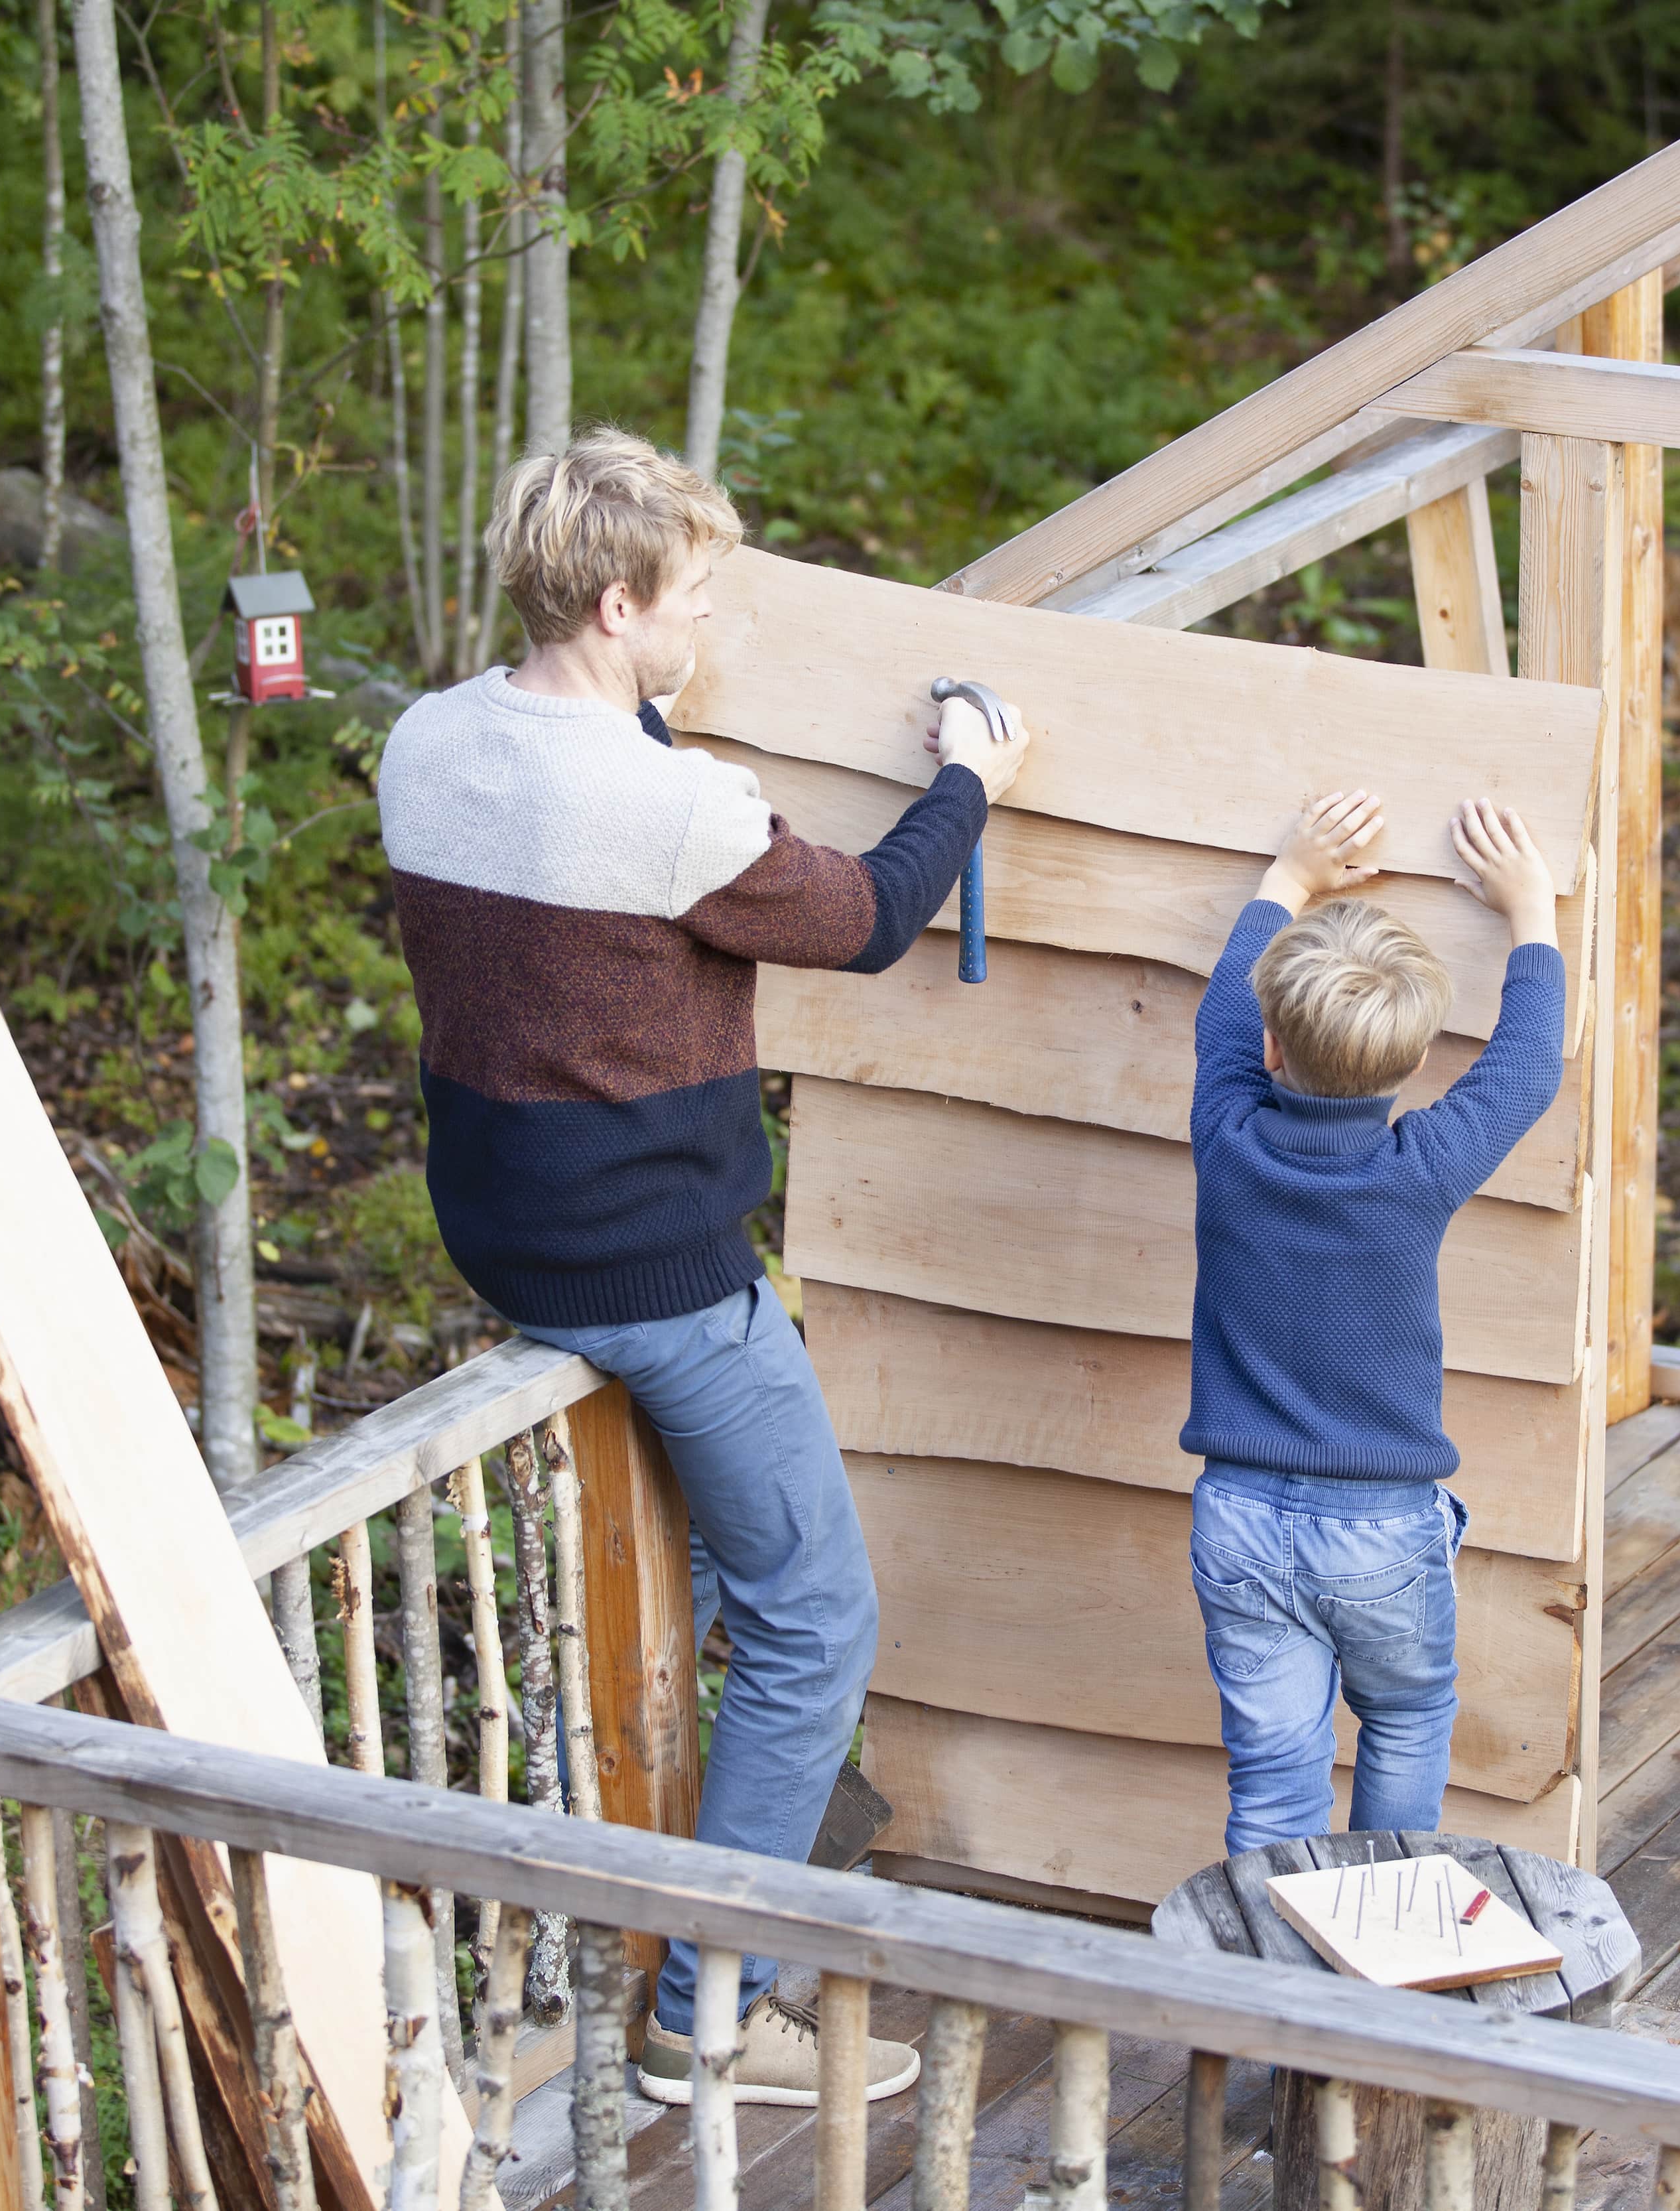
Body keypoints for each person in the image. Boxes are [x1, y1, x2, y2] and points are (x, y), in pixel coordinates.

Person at [378, 427, 1031, 2104]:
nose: (710, 626)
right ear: (615, 604)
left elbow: (594, 791)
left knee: (754, 1575)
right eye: (695, 597)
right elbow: (876, 914)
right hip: (653, 1270)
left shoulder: (427, 742)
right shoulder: (673, 811)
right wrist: (971, 775)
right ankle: (706, 2012)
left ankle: (727, 1891)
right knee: (821, 1622)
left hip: (499, 1226)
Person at [1180, 787, 1564, 1855]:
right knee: (1405, 1720)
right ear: (1409, 1065)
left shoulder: (1228, 1133)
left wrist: (1288, 878)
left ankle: (1272, 1996)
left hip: (1242, 1517)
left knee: (1272, 1773)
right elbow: (1527, 1069)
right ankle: (1383, 1963)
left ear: (1270, 1045)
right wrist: (1532, 911)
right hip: (1383, 1527)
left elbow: (1219, 1016)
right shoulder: (1419, 1167)